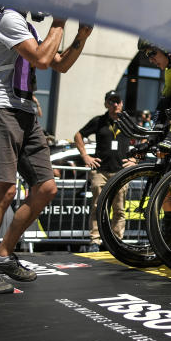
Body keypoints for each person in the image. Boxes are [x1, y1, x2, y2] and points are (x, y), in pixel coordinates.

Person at [0, 7, 92, 294]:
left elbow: (59, 64)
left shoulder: (24, 26)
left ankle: (3, 254)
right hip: (0, 109)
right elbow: (40, 59)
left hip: (24, 112)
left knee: (46, 188)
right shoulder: (8, 18)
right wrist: (60, 22)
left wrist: (82, 35)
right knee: (5, 189)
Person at [75, 90, 133, 253]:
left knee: (119, 209)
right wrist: (85, 156)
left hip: (121, 173)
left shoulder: (128, 121)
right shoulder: (99, 121)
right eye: (111, 101)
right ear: (106, 104)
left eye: (117, 101)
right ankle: (95, 240)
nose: (115, 105)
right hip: (100, 171)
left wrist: (135, 159)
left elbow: (144, 139)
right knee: (97, 207)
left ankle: (116, 240)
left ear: (121, 103)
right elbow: (78, 135)